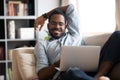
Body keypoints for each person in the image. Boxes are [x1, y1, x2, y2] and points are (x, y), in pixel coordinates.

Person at [34, 4, 120, 80]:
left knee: (117, 35)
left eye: (61, 24)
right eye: (53, 23)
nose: (57, 26)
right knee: (72, 71)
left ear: (66, 26)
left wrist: (45, 16)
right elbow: (41, 75)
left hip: (92, 69)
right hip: (68, 74)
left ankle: (98, 76)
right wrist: (59, 63)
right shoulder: (42, 44)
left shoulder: (75, 34)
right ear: (48, 25)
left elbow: (70, 7)